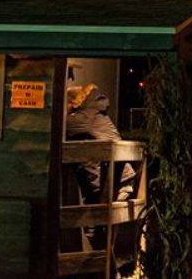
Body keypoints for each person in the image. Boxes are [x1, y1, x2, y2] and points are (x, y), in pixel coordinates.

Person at [65, 83, 137, 275]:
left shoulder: (82, 118)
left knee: (97, 230)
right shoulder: (94, 114)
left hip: (109, 182)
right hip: (113, 180)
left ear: (72, 103)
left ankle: (106, 273)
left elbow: (55, 127)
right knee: (101, 232)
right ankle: (107, 272)